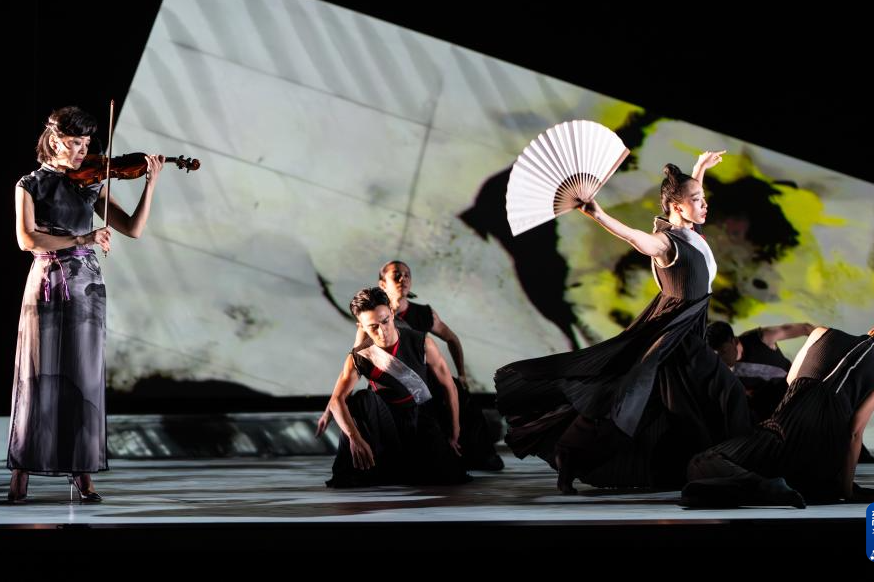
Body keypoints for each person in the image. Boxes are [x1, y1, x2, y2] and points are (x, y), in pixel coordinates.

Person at [495, 151, 751, 493]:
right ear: (677, 207)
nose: (704, 204)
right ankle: (735, 464)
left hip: (690, 333)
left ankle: (711, 466)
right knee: (717, 392)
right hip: (675, 337)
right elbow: (634, 237)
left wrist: (699, 169)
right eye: (696, 199)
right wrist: (597, 213)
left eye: (703, 198)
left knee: (673, 409)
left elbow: (690, 204)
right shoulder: (665, 243)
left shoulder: (692, 232)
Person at [7, 106, 165, 503]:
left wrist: (150, 184)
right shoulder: (29, 184)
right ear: (56, 140)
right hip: (47, 281)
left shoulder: (92, 184)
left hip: (86, 286)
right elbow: (27, 240)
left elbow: (133, 229)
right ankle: (21, 470)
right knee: (36, 373)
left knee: (84, 376)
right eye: (76, 143)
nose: (83, 151)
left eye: (87, 143)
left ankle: (83, 473)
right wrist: (83, 239)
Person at [682, 319, 874, 508]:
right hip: (821, 465)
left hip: (782, 432)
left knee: (700, 463)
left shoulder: (821, 333)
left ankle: (762, 486)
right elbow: (854, 434)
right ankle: (772, 486)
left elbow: (791, 379)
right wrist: (846, 490)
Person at [318, 261, 504, 470]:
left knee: (459, 395)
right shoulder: (369, 321)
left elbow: (452, 339)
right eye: (396, 275)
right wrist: (330, 410)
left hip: (424, 387)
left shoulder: (424, 316)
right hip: (388, 390)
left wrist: (461, 374)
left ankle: (475, 455)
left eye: (407, 275)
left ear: (390, 314)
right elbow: (355, 363)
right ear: (382, 284)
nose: (403, 279)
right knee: (364, 405)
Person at [324, 287, 470, 487]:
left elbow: (449, 386)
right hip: (386, 423)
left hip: (420, 417)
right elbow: (336, 400)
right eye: (373, 327)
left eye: (385, 321)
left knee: (447, 476)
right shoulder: (360, 356)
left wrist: (454, 432)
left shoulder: (422, 343)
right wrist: (354, 438)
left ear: (392, 313)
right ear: (361, 326)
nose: (382, 331)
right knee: (361, 399)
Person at [706, 321, 814, 422]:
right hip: (772, 413)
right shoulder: (719, 368)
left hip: (797, 392)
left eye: (723, 352)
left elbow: (806, 328)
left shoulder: (762, 338)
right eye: (716, 356)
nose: (721, 360)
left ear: (734, 341)